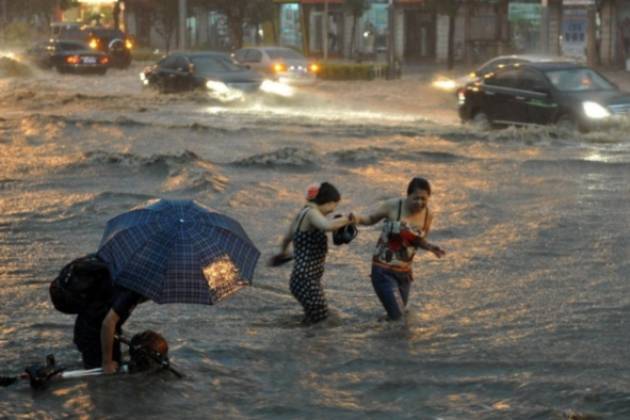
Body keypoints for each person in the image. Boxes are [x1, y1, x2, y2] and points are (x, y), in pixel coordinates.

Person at [355, 177, 446, 321]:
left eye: (424, 199)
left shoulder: (428, 215)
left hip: (405, 275)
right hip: (383, 271)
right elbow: (370, 220)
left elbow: (418, 240)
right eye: (416, 198)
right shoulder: (393, 206)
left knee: (395, 318)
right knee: (399, 317)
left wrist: (430, 247)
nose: (420, 203)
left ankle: (375, 335)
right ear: (407, 195)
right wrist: (355, 219)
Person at [274, 182, 355, 324]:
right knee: (321, 320)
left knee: (313, 318)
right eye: (333, 206)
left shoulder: (302, 214)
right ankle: (308, 343)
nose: (332, 211)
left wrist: (283, 254)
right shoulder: (312, 213)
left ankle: (303, 340)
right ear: (329, 202)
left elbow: (287, 238)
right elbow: (327, 226)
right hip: (307, 280)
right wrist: (349, 219)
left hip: (300, 280)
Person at [73, 284, 147, 373]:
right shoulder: (131, 294)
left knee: (116, 367)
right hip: (92, 332)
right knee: (101, 375)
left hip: (102, 328)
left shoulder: (130, 287)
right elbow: (108, 323)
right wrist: (106, 362)